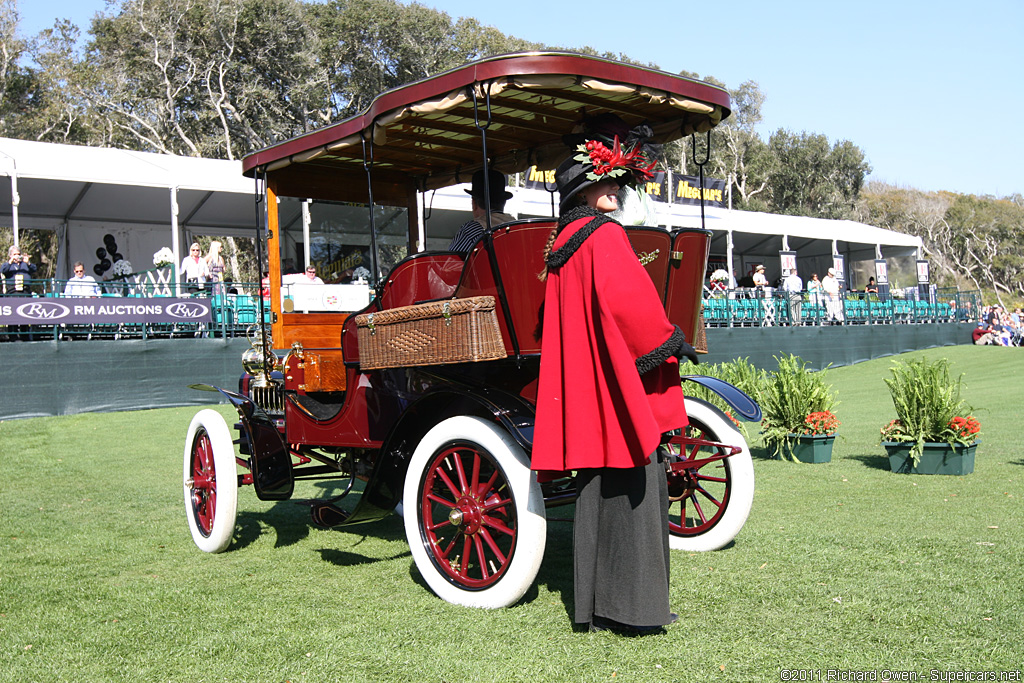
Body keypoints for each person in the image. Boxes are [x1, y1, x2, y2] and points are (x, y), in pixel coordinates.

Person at [533, 119, 695, 635]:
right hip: (619, 394)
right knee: (636, 489)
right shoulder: (604, 237)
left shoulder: (563, 245)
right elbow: (634, 311)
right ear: (594, 193)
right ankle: (636, 609)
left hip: (587, 395)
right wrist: (671, 342)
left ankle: (595, 608)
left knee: (594, 491)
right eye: (612, 185)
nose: (619, 193)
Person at [447, 169, 516, 252]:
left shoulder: (471, 230)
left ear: (474, 203)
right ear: (504, 203)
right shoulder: (519, 229)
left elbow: (451, 263)